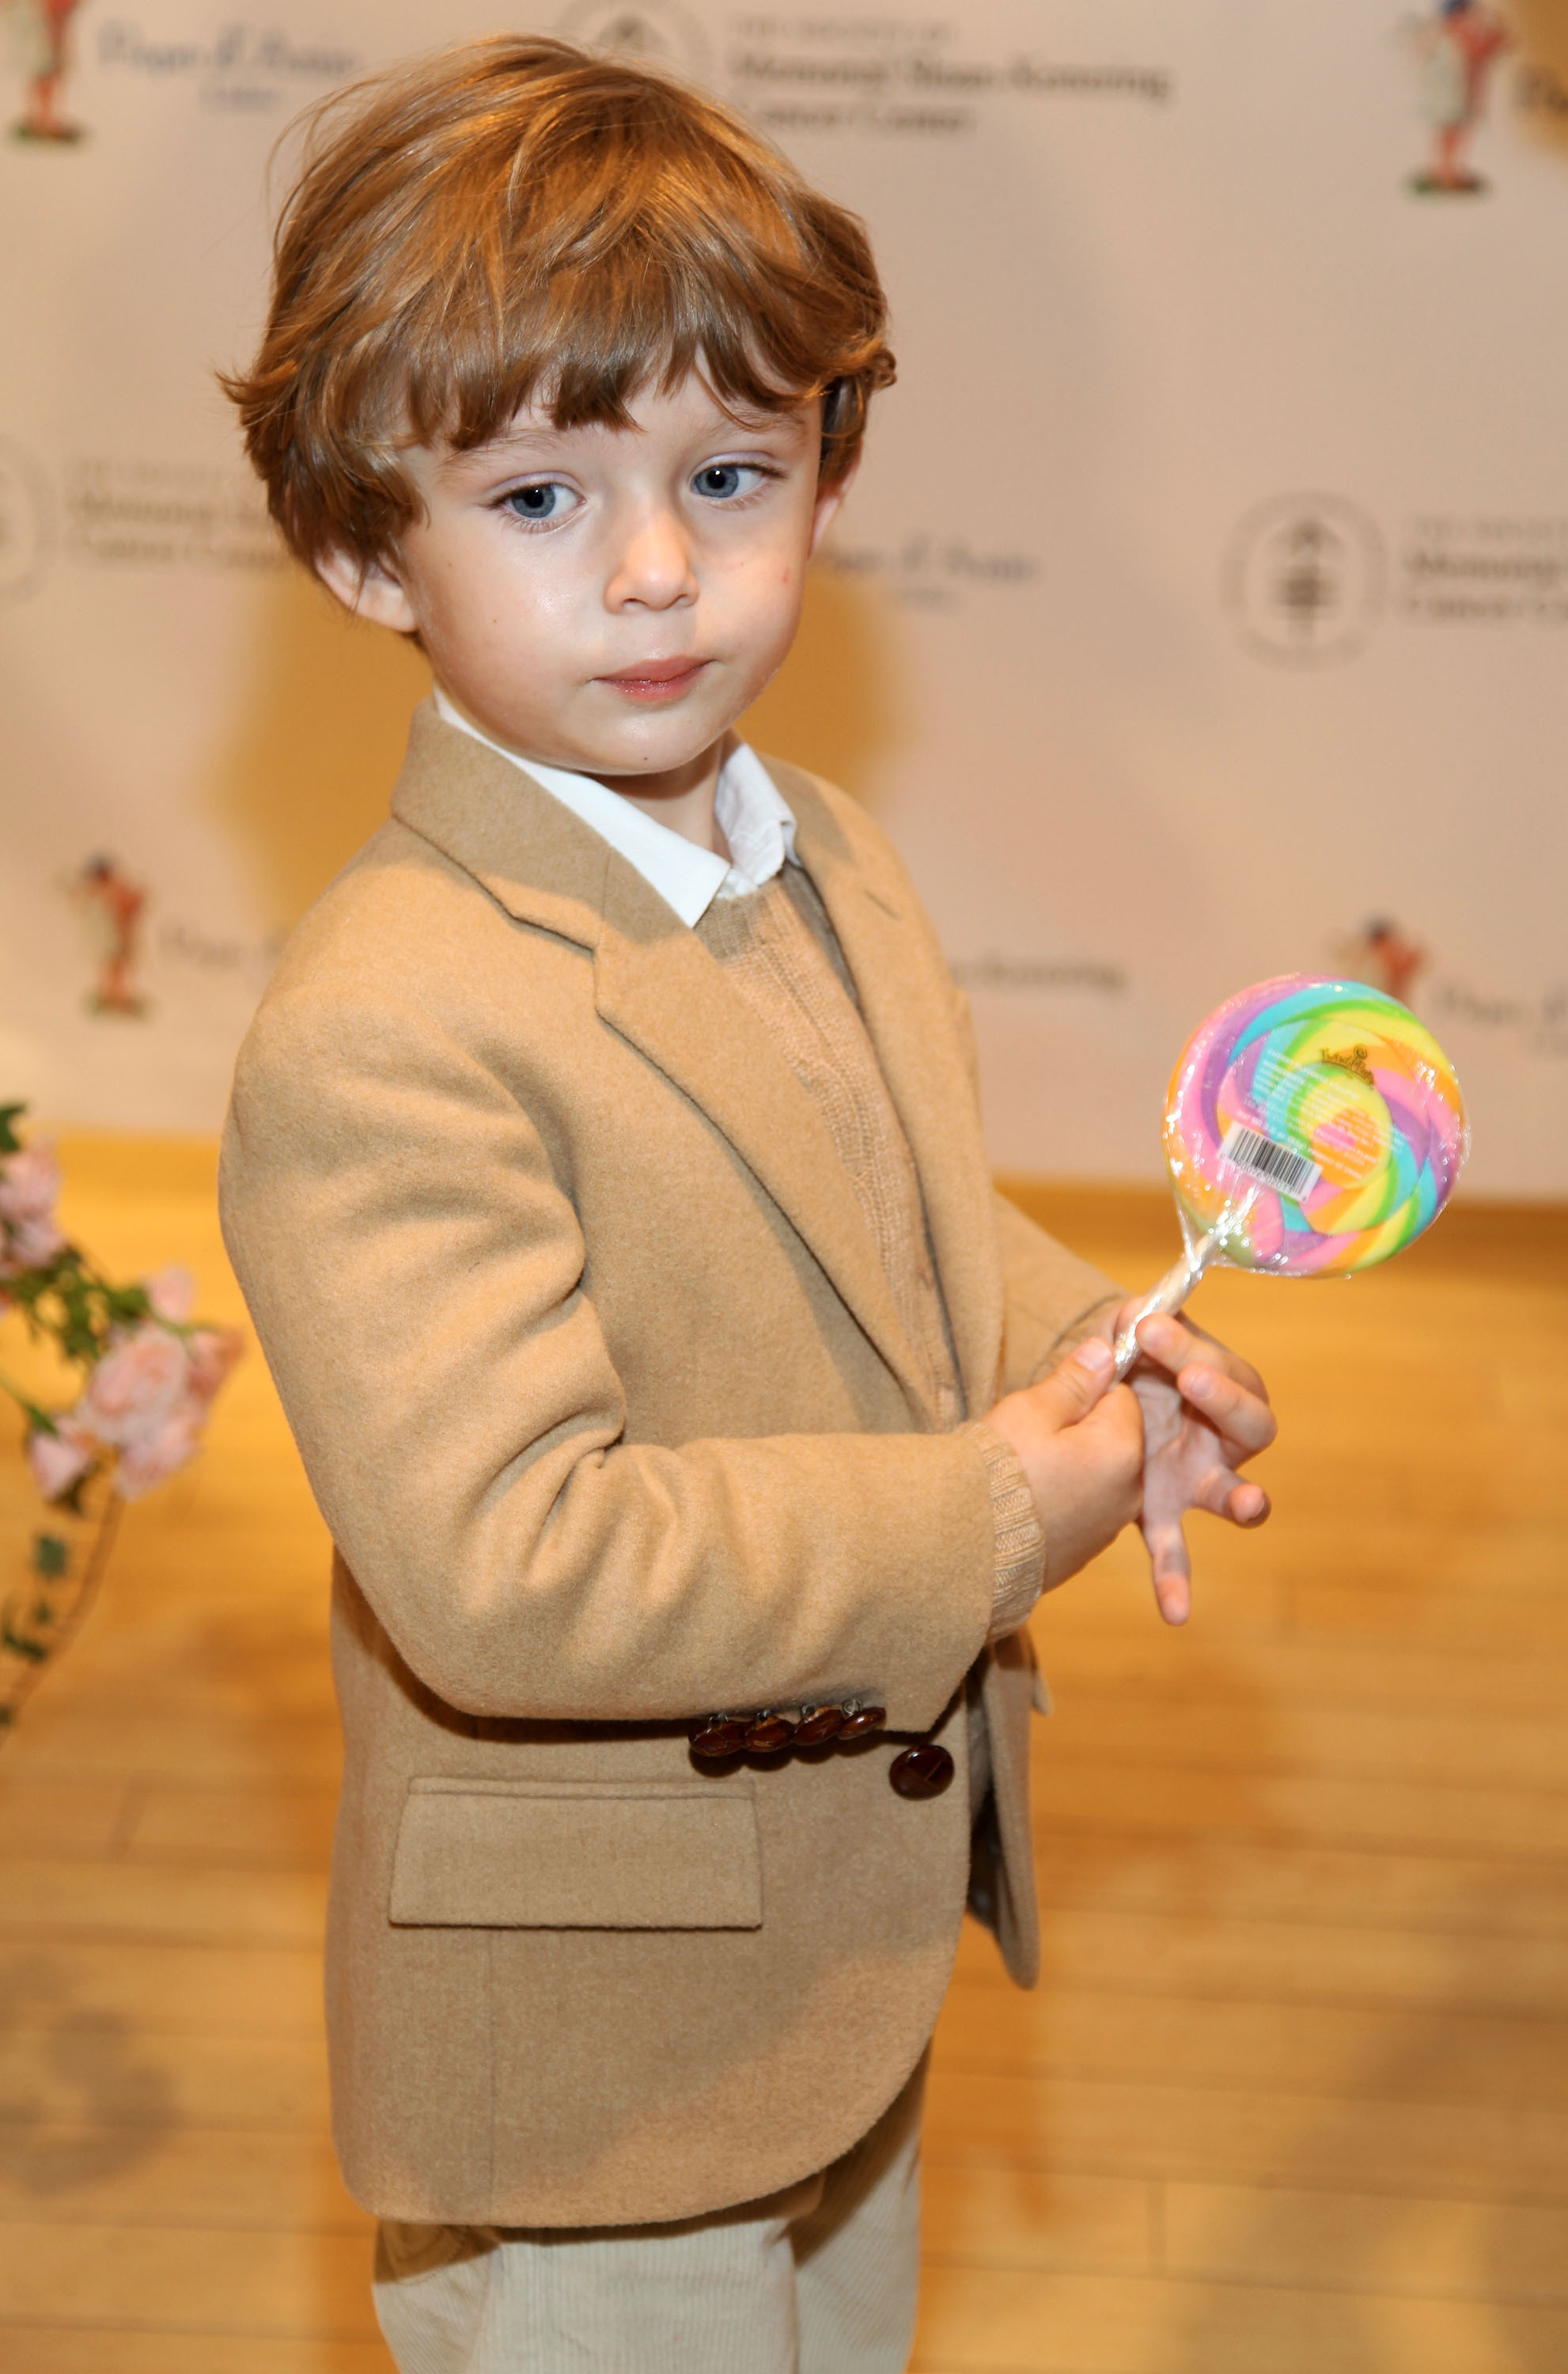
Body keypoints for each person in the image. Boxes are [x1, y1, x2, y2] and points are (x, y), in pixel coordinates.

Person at [218, 38, 1275, 2372]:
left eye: (729, 471)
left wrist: (1096, 1333)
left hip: (829, 1958)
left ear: (828, 469)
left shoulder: (823, 852)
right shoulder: (384, 1025)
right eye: (537, 502)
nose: (662, 570)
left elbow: (887, 1211)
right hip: (600, 2052)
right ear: (357, 543)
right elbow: (510, 1571)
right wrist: (993, 1511)